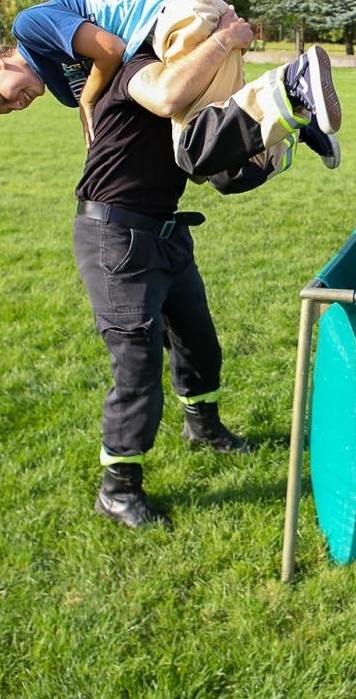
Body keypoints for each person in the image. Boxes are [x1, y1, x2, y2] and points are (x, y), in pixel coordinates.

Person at [0, 0, 340, 190]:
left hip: (173, 15)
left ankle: (294, 81)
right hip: (179, 22)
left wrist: (87, 101)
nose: (18, 105)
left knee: (194, 147)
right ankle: (301, 118)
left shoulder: (30, 26)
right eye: (9, 110)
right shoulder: (59, 85)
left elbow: (111, 50)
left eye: (4, 97)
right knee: (225, 171)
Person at [74, 36, 255, 529]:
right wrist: (225, 41)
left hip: (166, 234)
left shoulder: (185, 79)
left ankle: (204, 429)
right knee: (136, 366)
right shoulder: (139, 70)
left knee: (199, 342)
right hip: (116, 237)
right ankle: (118, 489)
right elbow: (169, 99)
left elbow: (204, 169)